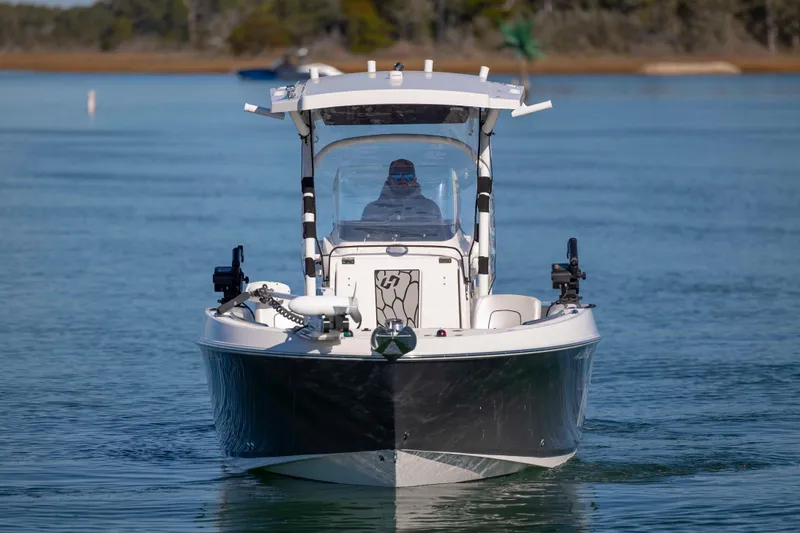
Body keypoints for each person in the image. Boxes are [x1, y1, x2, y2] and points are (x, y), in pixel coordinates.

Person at [361, 159, 442, 222]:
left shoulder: (430, 208)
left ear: (415, 179)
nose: (403, 180)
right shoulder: (372, 210)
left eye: (408, 176)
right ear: (389, 179)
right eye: (397, 176)